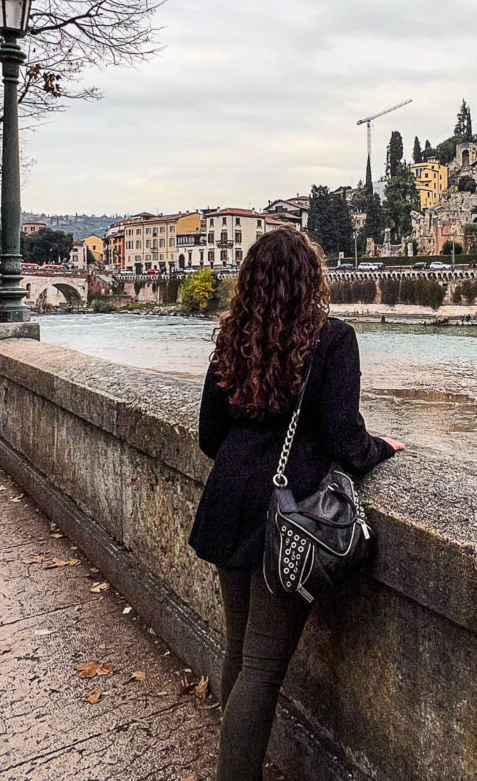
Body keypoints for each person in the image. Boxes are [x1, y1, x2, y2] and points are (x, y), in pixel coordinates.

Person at [189, 227, 403, 781]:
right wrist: (384, 448)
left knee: (239, 647)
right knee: (262, 665)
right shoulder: (332, 339)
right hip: (288, 511)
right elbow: (343, 436)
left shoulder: (232, 337)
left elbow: (209, 434)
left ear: (250, 281)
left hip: (230, 500)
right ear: (312, 280)